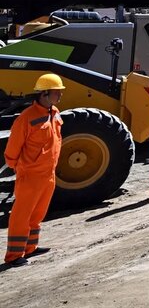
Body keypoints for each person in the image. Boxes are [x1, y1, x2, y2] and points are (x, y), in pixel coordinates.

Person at [4, 73, 64, 266]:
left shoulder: (54, 112)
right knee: (22, 215)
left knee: (38, 213)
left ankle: (30, 248)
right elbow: (13, 147)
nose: (60, 96)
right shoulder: (26, 118)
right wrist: (17, 167)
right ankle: (14, 255)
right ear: (44, 93)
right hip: (30, 175)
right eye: (56, 92)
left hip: (48, 174)